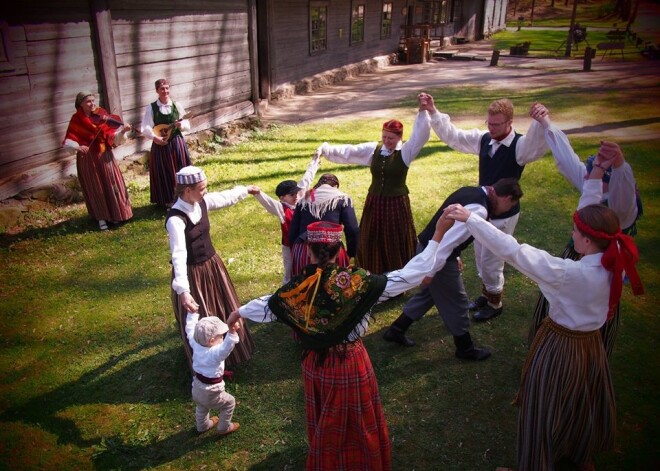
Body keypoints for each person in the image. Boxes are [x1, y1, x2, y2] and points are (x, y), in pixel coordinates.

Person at [444, 165, 643, 471]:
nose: (572, 235)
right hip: (591, 347)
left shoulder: (569, 273)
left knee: (542, 408)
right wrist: (597, 174)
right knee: (579, 402)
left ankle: (535, 465)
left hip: (561, 349)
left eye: (576, 231)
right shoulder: (612, 260)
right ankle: (578, 454)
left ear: (588, 240)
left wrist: (472, 219)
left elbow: (515, 252)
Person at [227, 217, 455, 470]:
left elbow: (270, 305)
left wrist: (239, 312)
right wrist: (437, 236)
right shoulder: (357, 284)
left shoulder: (300, 286)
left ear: (309, 251)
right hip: (351, 363)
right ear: (341, 251)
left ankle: (328, 458)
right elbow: (410, 276)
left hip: (315, 364)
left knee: (325, 416)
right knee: (358, 418)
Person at [418, 93, 549, 321]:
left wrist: (540, 121)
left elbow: (537, 146)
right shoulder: (484, 139)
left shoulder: (520, 146)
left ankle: (494, 302)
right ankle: (486, 294)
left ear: (510, 122)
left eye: (496, 124)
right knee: (480, 254)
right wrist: (433, 111)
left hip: (502, 215)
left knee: (492, 258)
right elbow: (455, 137)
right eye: (489, 123)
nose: (491, 128)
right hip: (481, 209)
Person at [527, 108, 642, 358]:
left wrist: (620, 163)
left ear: (607, 180)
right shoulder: (593, 181)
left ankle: (584, 356)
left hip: (604, 266)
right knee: (556, 304)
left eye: (593, 173)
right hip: (576, 254)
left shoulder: (622, 207)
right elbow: (567, 158)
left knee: (590, 315)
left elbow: (624, 185)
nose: (586, 176)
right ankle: (548, 343)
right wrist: (546, 122)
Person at [383, 178, 524, 360]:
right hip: (436, 256)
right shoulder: (479, 210)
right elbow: (446, 242)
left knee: (432, 295)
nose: (509, 210)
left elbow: (451, 232)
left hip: (429, 249)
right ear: (507, 198)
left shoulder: (471, 191)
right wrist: (430, 271)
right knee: (457, 302)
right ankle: (465, 348)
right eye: (512, 205)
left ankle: (396, 329)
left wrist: (455, 256)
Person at [315, 94, 431, 274]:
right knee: (371, 236)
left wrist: (423, 111)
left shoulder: (406, 152)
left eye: (391, 138)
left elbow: (420, 135)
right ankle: (372, 271)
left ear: (399, 137)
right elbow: (351, 152)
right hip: (375, 202)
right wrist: (327, 150)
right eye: (384, 137)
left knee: (394, 238)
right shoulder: (375, 150)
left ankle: (398, 273)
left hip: (396, 203)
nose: (386, 141)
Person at [166, 166, 256, 370]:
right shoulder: (175, 220)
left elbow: (225, 197)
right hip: (193, 274)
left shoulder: (202, 202)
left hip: (212, 266)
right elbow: (178, 254)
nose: (205, 191)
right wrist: (184, 291)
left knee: (222, 305)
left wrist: (246, 190)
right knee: (204, 313)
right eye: (201, 188)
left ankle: (232, 352)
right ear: (187, 190)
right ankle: (209, 364)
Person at [62, 92, 133, 230]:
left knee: (112, 183)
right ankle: (101, 218)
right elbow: (68, 140)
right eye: (88, 101)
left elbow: (113, 136)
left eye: (93, 100)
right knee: (96, 187)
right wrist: (77, 146)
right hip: (88, 158)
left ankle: (116, 214)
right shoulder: (76, 119)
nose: (92, 104)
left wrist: (123, 132)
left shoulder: (102, 115)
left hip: (105, 155)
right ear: (80, 104)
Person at [252, 153, 321, 283]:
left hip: (305, 244)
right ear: (282, 197)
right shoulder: (282, 209)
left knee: (306, 267)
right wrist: (258, 193)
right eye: (291, 195)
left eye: (296, 193)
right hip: (289, 247)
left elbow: (306, 180)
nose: (296, 196)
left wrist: (314, 162)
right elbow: (269, 203)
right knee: (290, 270)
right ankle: (285, 291)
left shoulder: (299, 200)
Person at [288, 173, 359, 276]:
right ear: (335, 186)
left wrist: (295, 251)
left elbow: (293, 231)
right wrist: (352, 253)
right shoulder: (342, 199)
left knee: (303, 286)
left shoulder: (303, 200)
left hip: (305, 248)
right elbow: (352, 230)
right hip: (332, 250)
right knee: (335, 286)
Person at [185, 312, 241, 435]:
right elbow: (225, 348)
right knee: (229, 403)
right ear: (211, 341)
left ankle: (203, 426)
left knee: (201, 406)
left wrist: (192, 314)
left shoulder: (195, 343)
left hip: (197, 387)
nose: (222, 338)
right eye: (221, 336)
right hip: (212, 391)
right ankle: (223, 428)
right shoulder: (214, 353)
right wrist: (231, 333)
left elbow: (189, 328)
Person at [140, 78, 192, 207]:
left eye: (167, 88)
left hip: (176, 142)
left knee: (180, 169)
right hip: (161, 144)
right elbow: (146, 126)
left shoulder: (176, 105)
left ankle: (185, 196)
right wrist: (155, 138)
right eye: (162, 89)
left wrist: (181, 125)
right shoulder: (152, 108)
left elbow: (187, 123)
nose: (165, 91)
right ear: (157, 91)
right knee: (165, 170)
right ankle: (168, 199)